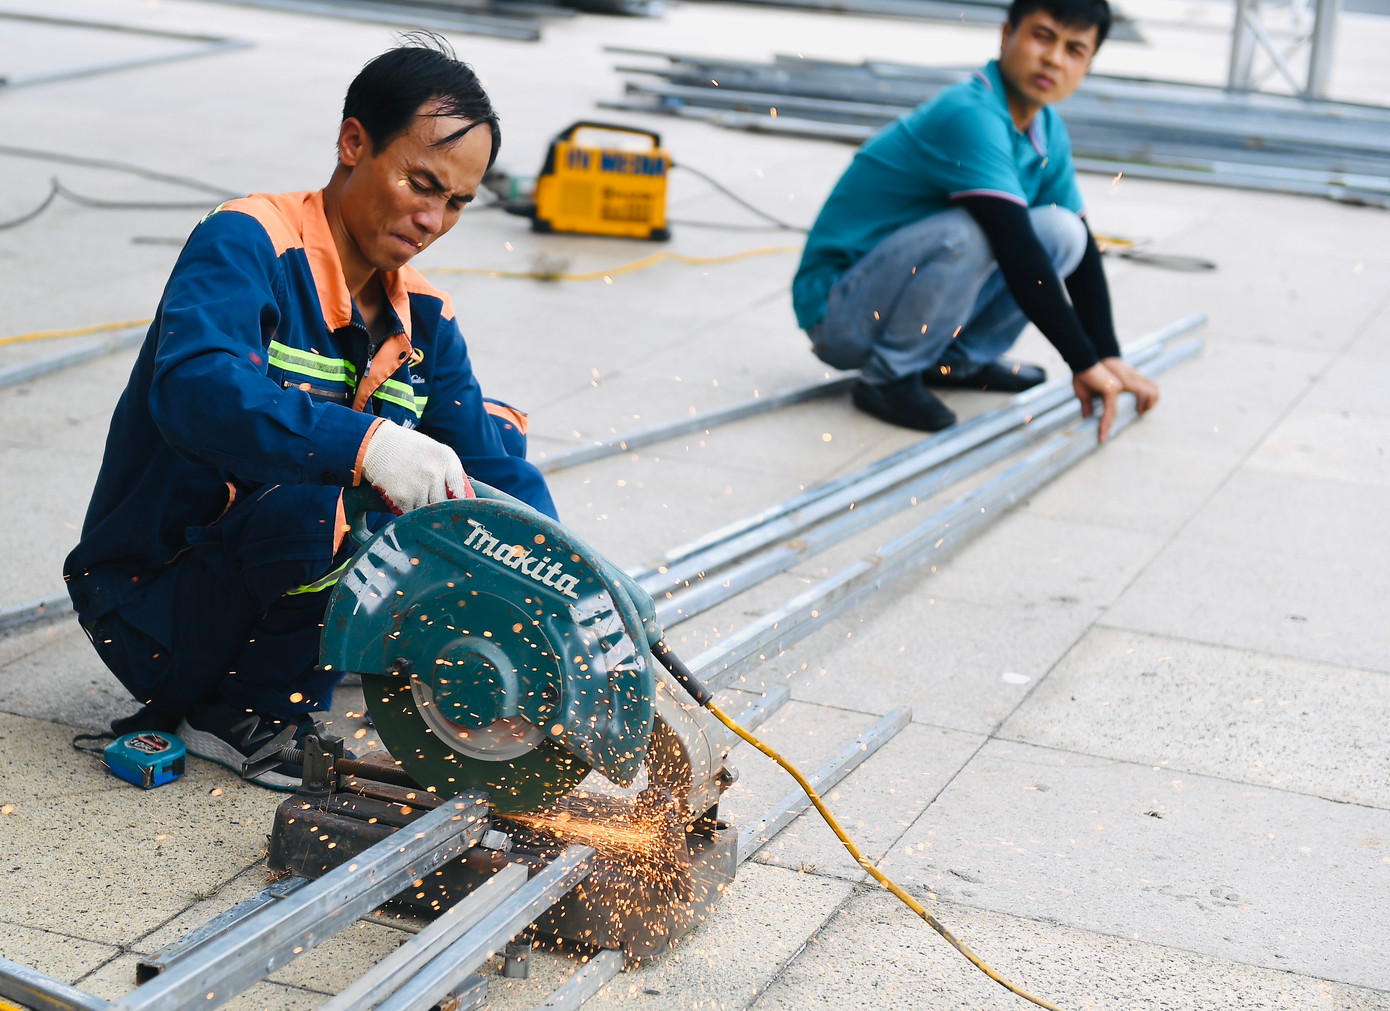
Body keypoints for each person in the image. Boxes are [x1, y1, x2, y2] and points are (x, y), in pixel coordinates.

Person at [64, 38, 555, 788]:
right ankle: (245, 708)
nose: (433, 219)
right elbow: (195, 392)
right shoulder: (246, 241)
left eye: (457, 202)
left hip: (256, 565)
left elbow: (492, 472)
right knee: (343, 501)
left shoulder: (422, 313)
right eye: (421, 183)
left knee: (485, 441)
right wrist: (369, 445)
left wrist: (569, 596)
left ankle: (306, 648)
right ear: (353, 142)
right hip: (153, 601)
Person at [791, 0, 1159, 436]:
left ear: (1088, 66)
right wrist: (1081, 361)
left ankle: (954, 366)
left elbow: (1077, 241)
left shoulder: (1045, 127)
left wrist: (1107, 354)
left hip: (895, 292)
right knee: (979, 230)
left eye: (1074, 50)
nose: (1054, 59)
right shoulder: (971, 114)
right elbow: (1017, 249)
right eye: (1042, 36)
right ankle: (887, 376)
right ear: (1007, 36)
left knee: (1063, 232)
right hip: (841, 314)